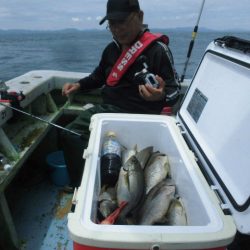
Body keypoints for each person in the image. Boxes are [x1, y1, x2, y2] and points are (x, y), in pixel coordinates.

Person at [60, 0, 179, 191]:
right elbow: (98, 76)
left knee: (71, 134)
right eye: (112, 24)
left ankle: (93, 183)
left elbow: (175, 90)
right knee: (69, 135)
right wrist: (79, 84)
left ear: (140, 17)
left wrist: (160, 96)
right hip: (108, 112)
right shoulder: (111, 50)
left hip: (141, 116)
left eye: (122, 21)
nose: (117, 29)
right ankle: (82, 185)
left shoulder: (158, 50)